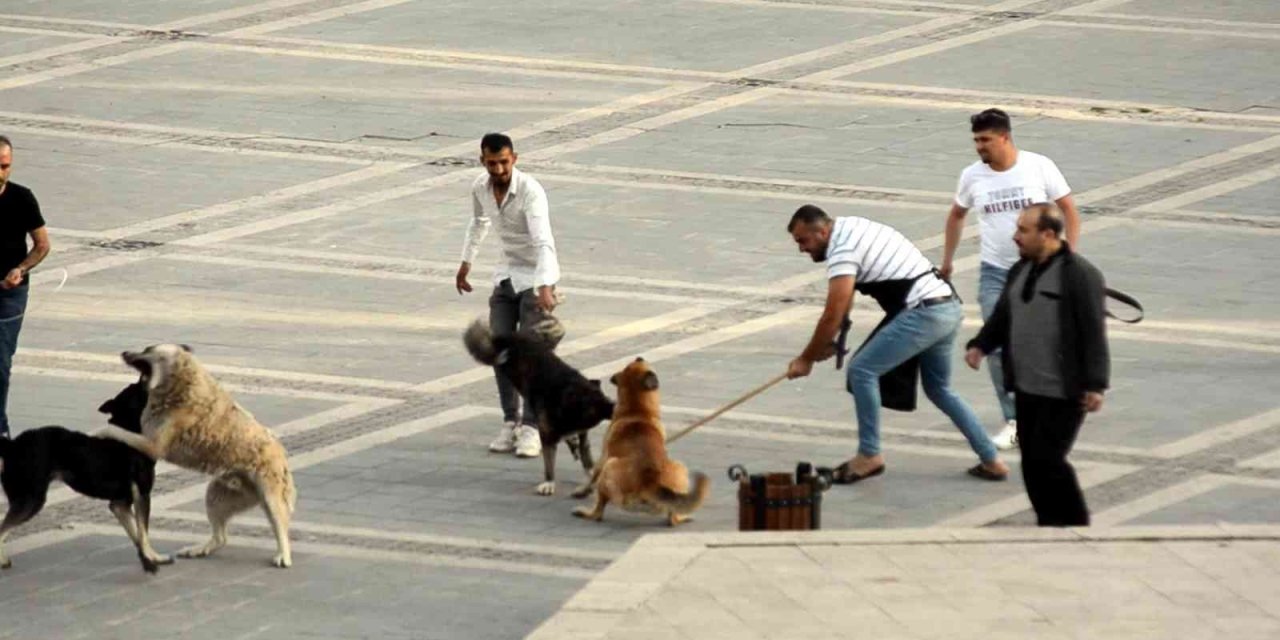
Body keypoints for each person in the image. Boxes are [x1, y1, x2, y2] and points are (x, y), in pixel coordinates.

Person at [785, 204, 1008, 483]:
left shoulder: (842, 247)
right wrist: (831, 339)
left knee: (862, 371)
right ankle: (992, 460)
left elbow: (833, 310)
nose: (802, 249)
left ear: (823, 230)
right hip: (946, 306)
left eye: (803, 241)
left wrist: (806, 358)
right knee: (940, 389)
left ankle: (869, 455)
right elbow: (843, 302)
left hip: (924, 312)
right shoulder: (852, 226)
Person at [941, 108, 1080, 451]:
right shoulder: (972, 176)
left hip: (1038, 270)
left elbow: (1070, 210)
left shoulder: (1038, 166)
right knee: (998, 346)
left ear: (1005, 137)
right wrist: (947, 261)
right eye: (975, 140)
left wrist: (1067, 259)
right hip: (994, 272)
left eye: (985, 140)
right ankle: (1015, 419)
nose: (979, 147)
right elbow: (957, 215)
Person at [965, 204, 1108, 526]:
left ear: (1047, 234)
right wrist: (980, 345)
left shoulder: (1079, 275)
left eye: (1023, 231)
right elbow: (1004, 315)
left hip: (1064, 391)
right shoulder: (1021, 270)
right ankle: (1047, 521)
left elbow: (1092, 332)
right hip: (1027, 387)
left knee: (1049, 459)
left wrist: (1096, 384)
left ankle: (1075, 523)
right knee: (1031, 460)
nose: (1016, 237)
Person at [455, 133, 560, 458]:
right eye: (491, 163)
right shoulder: (479, 187)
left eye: (503, 162)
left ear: (514, 158)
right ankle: (509, 421)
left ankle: (531, 427)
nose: (498, 169)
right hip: (505, 276)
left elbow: (544, 241)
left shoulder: (530, 191)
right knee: (497, 349)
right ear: (482, 160)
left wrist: (544, 286)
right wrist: (465, 262)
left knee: (529, 354)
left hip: (536, 278)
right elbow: (478, 222)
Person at [0, 135, 51, 440]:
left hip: (10, 293)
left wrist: (21, 268)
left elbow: (42, 244)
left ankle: (0, 430)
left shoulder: (22, 198)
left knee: (1, 360)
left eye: (5, 166)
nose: (0, 172)